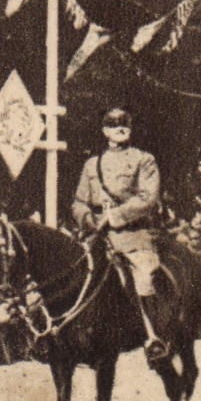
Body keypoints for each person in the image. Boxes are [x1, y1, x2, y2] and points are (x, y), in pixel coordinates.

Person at [71, 106, 172, 361]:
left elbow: (148, 198)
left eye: (125, 123)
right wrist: (88, 220)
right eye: (114, 124)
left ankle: (153, 337)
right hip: (96, 236)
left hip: (132, 236)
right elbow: (78, 202)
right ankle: (55, 331)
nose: (120, 128)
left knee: (144, 277)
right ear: (105, 130)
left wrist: (114, 217)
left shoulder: (143, 159)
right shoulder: (92, 164)